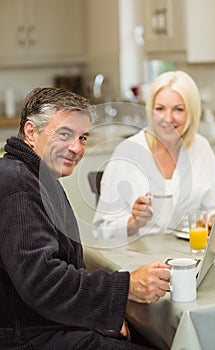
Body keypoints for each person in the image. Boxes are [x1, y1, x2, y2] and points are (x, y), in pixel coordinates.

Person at [0, 87, 170, 350]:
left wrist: (97, 314)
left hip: (48, 324)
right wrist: (127, 288)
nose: (76, 148)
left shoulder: (35, 177)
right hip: (29, 337)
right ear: (31, 132)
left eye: (83, 137)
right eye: (65, 134)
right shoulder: (18, 184)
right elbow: (43, 281)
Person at [92, 70, 215, 240]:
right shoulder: (128, 152)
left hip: (190, 256)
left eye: (178, 109)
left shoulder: (201, 147)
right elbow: (101, 230)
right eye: (160, 109)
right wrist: (133, 222)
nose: (168, 118)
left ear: (192, 113)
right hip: (139, 259)